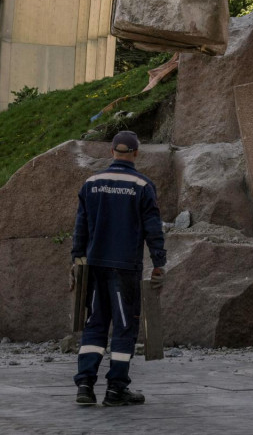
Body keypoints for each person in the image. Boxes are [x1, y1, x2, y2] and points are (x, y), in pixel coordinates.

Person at [71, 130, 166, 407]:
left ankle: (85, 387)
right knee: (125, 327)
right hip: (125, 268)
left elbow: (80, 228)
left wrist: (76, 261)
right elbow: (153, 229)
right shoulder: (142, 185)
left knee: (95, 324)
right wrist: (159, 263)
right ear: (136, 154)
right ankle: (116, 390)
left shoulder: (92, 183)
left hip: (94, 266)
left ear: (111, 152)